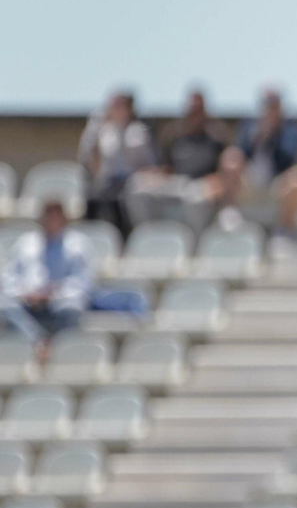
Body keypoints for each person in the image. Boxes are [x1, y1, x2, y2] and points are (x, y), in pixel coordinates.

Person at [123, 87, 244, 231]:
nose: (194, 115)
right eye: (191, 110)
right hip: (176, 184)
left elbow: (225, 171)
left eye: (198, 111)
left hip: (201, 185)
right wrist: (152, 177)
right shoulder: (174, 134)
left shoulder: (216, 136)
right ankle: (147, 236)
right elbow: (165, 168)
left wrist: (218, 183)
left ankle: (195, 245)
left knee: (194, 199)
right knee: (137, 188)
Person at [1, 200, 93, 350]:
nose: (51, 221)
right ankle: (40, 342)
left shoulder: (78, 244)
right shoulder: (25, 242)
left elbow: (82, 283)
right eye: (47, 216)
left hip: (59, 302)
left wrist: (53, 293)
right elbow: (10, 277)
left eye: (55, 217)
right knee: (4, 305)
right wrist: (25, 293)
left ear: (64, 219)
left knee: (72, 309)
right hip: (28, 302)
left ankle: (57, 348)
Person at [236, 87, 297, 240]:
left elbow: (289, 157)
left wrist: (273, 135)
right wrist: (258, 137)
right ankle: (230, 217)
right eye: (267, 104)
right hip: (250, 179)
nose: (270, 109)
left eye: (274, 104)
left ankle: (286, 228)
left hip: (277, 181)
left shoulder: (291, 128)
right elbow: (241, 153)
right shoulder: (249, 125)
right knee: (230, 159)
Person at [78, 90, 155, 235]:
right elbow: (86, 154)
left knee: (120, 201)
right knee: (92, 198)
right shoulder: (103, 131)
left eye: (120, 105)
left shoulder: (137, 130)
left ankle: (122, 238)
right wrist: (95, 126)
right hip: (107, 182)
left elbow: (147, 163)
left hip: (130, 182)